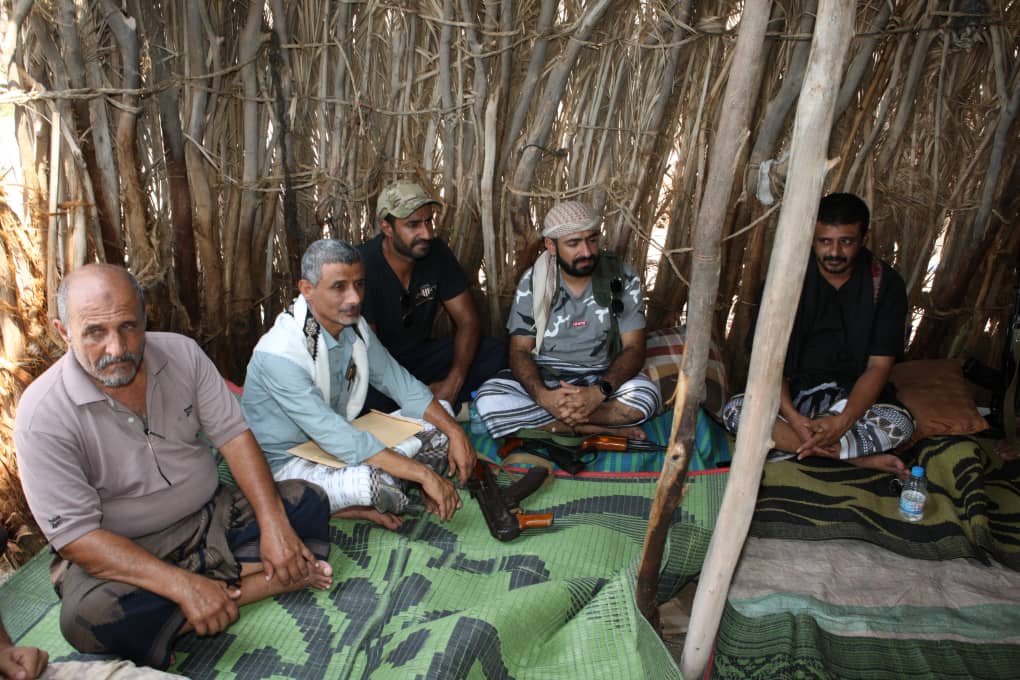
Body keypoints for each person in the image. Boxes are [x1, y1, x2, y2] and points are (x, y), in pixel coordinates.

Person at [13, 265, 333, 671]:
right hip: (126, 550)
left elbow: (234, 437)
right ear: (64, 332)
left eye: (129, 327)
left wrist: (272, 525)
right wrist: (180, 584)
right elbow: (78, 538)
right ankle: (266, 581)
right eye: (95, 332)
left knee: (307, 502)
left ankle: (199, 603)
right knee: (86, 618)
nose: (117, 348)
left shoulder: (182, 354)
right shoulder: (42, 414)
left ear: (145, 317)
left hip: (211, 517)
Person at [242, 239, 473, 530]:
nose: (354, 298)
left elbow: (401, 384)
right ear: (307, 289)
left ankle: (390, 483)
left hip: (341, 443)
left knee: (442, 417)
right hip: (288, 465)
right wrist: (424, 474)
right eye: (339, 287)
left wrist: (455, 432)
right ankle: (359, 501)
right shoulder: (280, 354)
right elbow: (335, 434)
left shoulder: (355, 328)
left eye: (359, 285)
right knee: (371, 483)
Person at [721, 193, 915, 475]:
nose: (834, 252)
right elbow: (768, 364)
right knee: (736, 411)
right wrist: (793, 417)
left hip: (853, 399)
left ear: (865, 238)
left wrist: (843, 421)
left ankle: (799, 446)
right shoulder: (784, 280)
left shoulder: (885, 284)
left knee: (899, 424)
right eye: (824, 241)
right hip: (792, 398)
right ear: (812, 237)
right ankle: (851, 458)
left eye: (846, 242)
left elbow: (879, 366)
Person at [475, 200, 661, 439]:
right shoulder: (534, 281)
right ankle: (594, 428)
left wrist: (598, 392)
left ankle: (554, 424)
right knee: (489, 398)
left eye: (592, 240)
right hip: (547, 375)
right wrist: (544, 397)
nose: (587, 252)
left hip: (601, 375)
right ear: (551, 245)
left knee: (645, 396)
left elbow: (634, 348)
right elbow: (519, 350)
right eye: (573, 243)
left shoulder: (622, 277)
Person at [358, 180, 506, 413]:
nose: (426, 233)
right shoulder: (362, 266)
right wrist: (416, 395)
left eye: (428, 221)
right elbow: (372, 353)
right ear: (387, 227)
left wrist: (453, 382)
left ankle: (435, 401)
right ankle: (432, 406)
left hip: (420, 358)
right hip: (381, 366)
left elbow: (468, 321)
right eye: (413, 225)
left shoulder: (435, 252)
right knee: (361, 395)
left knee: (494, 352)